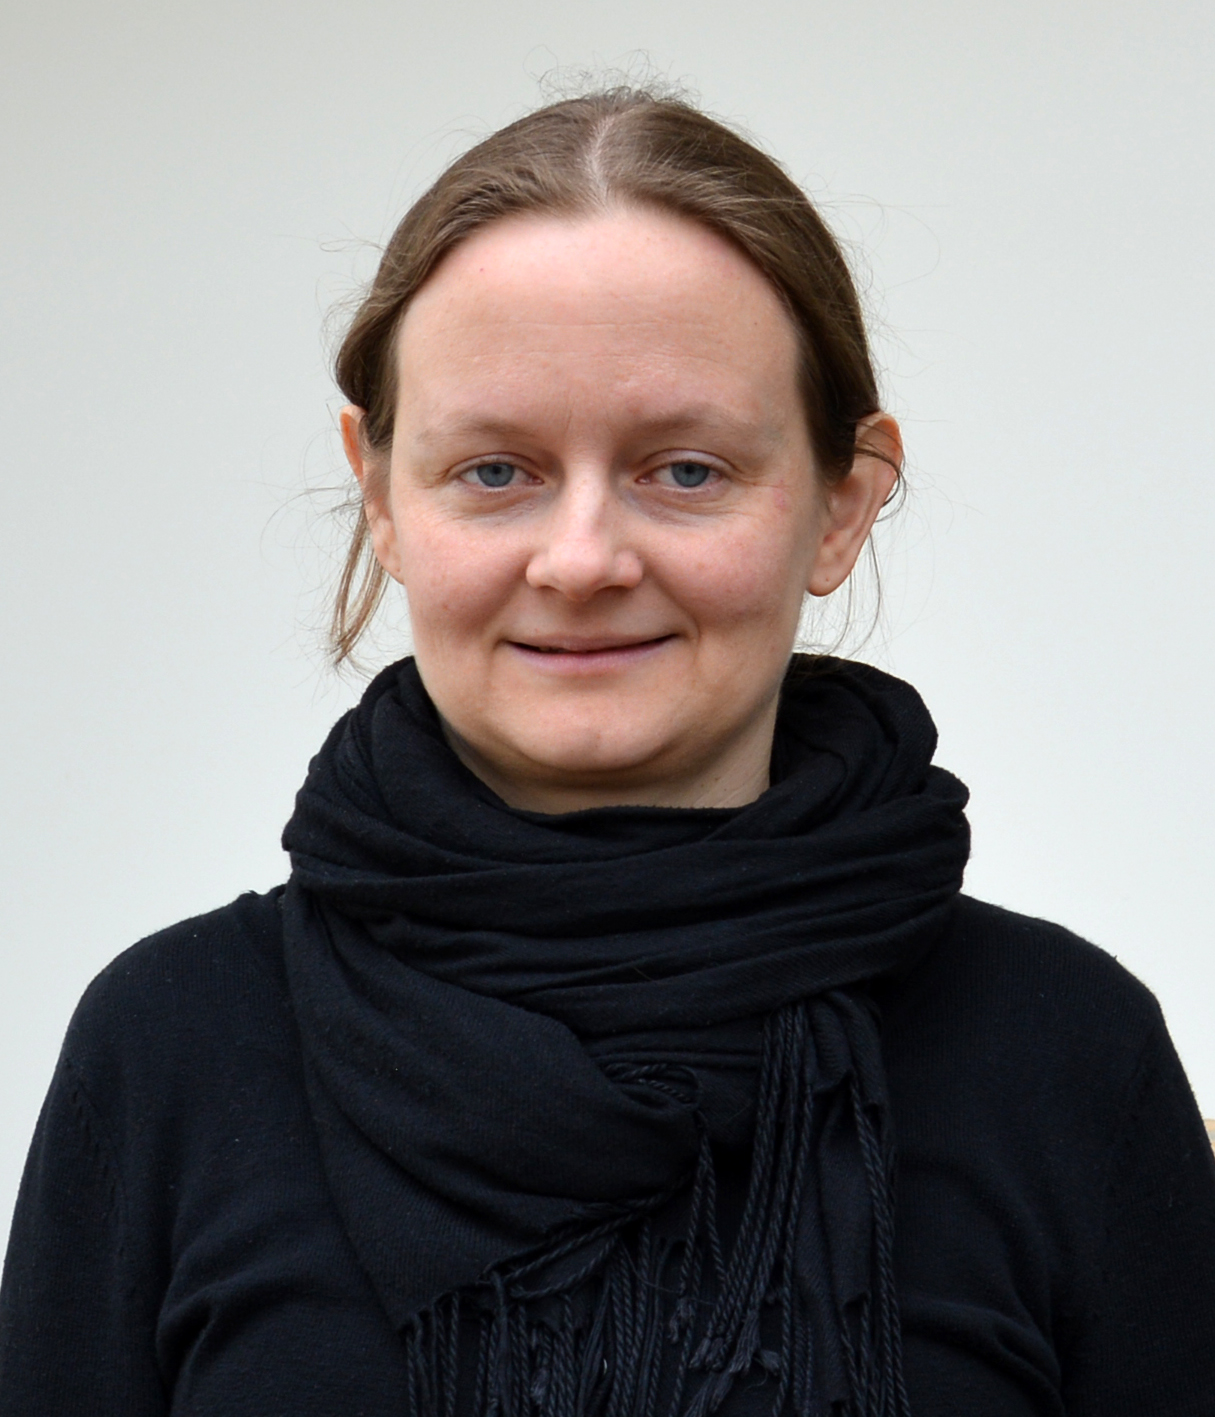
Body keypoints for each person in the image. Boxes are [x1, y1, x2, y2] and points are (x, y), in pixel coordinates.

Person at [1, 87, 1213, 1417]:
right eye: (496, 471)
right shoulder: (171, 1048)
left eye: (685, 470)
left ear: (841, 505)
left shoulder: (1068, 1053)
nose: (581, 560)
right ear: (381, 492)